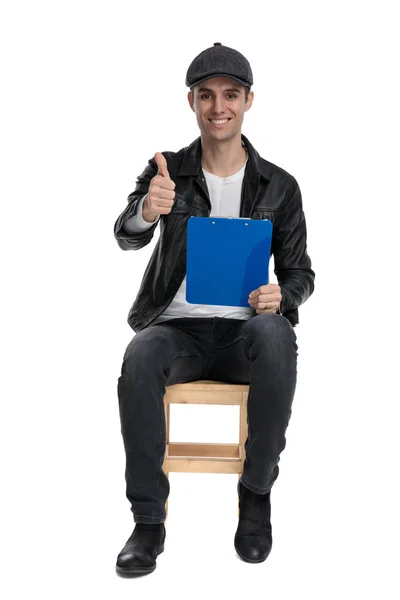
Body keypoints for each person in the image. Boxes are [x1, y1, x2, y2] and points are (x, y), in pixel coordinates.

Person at [114, 42, 315, 576]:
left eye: (230, 95)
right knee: (139, 356)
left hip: (244, 338)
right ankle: (148, 521)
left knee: (277, 335)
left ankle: (255, 495)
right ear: (191, 102)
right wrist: (144, 210)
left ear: (249, 101)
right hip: (177, 330)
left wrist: (283, 296)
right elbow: (126, 237)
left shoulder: (281, 186)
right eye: (206, 95)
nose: (218, 106)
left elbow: (301, 275)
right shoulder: (168, 171)